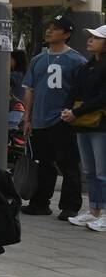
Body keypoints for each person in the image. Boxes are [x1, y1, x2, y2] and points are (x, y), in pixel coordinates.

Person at [21, 15, 85, 219]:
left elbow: (82, 93)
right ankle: (40, 202)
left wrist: (74, 114)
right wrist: (28, 118)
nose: (49, 31)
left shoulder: (77, 61)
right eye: (49, 27)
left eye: (56, 28)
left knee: (68, 164)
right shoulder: (38, 59)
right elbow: (30, 90)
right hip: (39, 120)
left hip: (63, 119)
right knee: (43, 163)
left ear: (66, 35)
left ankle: (70, 205)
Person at [62, 24, 106, 230]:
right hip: (84, 124)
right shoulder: (86, 66)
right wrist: (67, 109)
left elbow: (102, 98)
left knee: (102, 171)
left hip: (101, 125)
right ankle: (94, 210)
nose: (90, 40)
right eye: (90, 36)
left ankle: (104, 213)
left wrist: (76, 112)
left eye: (96, 37)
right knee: (89, 171)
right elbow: (75, 91)